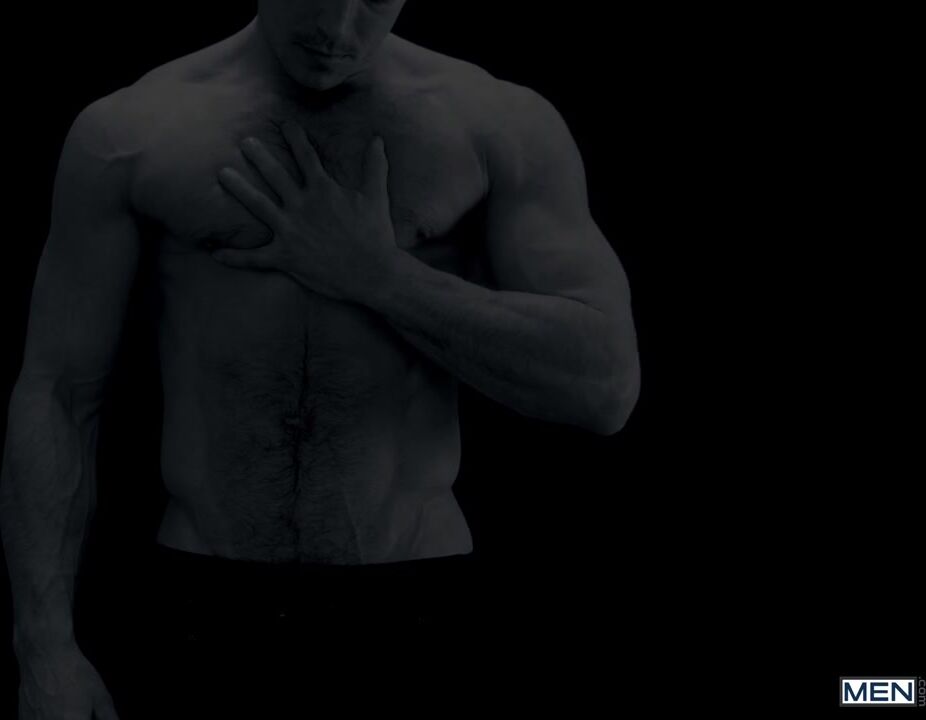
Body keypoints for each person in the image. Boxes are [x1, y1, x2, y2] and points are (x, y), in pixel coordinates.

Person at [1, 1, 640, 717]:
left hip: (419, 604)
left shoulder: (497, 124)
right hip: (201, 606)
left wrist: (380, 276)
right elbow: (59, 394)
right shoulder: (130, 132)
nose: (337, 31)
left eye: (370, 1)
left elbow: (604, 387)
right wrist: (44, 647)